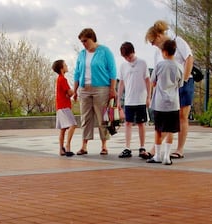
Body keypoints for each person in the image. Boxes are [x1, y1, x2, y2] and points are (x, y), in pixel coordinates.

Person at [145, 20, 194, 160]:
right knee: (168, 117)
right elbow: (156, 74)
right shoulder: (157, 54)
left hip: (183, 82)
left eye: (153, 41)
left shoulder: (178, 41)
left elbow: (189, 59)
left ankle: (179, 149)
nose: (154, 45)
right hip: (166, 89)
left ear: (159, 36)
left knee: (181, 116)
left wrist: (184, 80)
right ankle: (158, 148)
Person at [72, 28, 117, 156]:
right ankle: (84, 145)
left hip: (101, 88)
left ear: (92, 38)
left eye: (85, 41)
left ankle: (104, 145)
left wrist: (112, 89)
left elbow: (112, 71)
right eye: (82, 42)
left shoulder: (105, 51)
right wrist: (75, 90)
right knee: (85, 117)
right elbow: (77, 73)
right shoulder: (81, 54)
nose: (84, 44)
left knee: (103, 117)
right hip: (84, 88)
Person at [148, 39, 183, 166]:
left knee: (158, 129)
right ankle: (167, 156)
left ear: (164, 52)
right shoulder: (179, 66)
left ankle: (157, 155)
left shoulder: (159, 65)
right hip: (173, 103)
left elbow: (153, 82)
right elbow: (180, 84)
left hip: (160, 103)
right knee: (171, 130)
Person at [116, 42, 151, 159]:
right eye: (125, 58)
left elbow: (147, 81)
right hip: (129, 99)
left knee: (141, 123)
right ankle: (127, 147)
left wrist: (148, 97)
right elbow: (121, 83)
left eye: (129, 57)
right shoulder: (123, 66)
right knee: (128, 123)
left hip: (140, 99)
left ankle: (142, 147)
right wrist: (118, 100)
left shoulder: (142, 63)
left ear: (133, 52)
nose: (128, 59)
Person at [52, 59, 76, 157]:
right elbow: (69, 92)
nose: (67, 66)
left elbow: (66, 94)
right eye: (65, 65)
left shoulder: (58, 79)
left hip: (59, 107)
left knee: (63, 128)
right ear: (62, 68)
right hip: (64, 106)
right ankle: (67, 146)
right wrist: (76, 89)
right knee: (73, 125)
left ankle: (61, 149)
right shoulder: (63, 79)